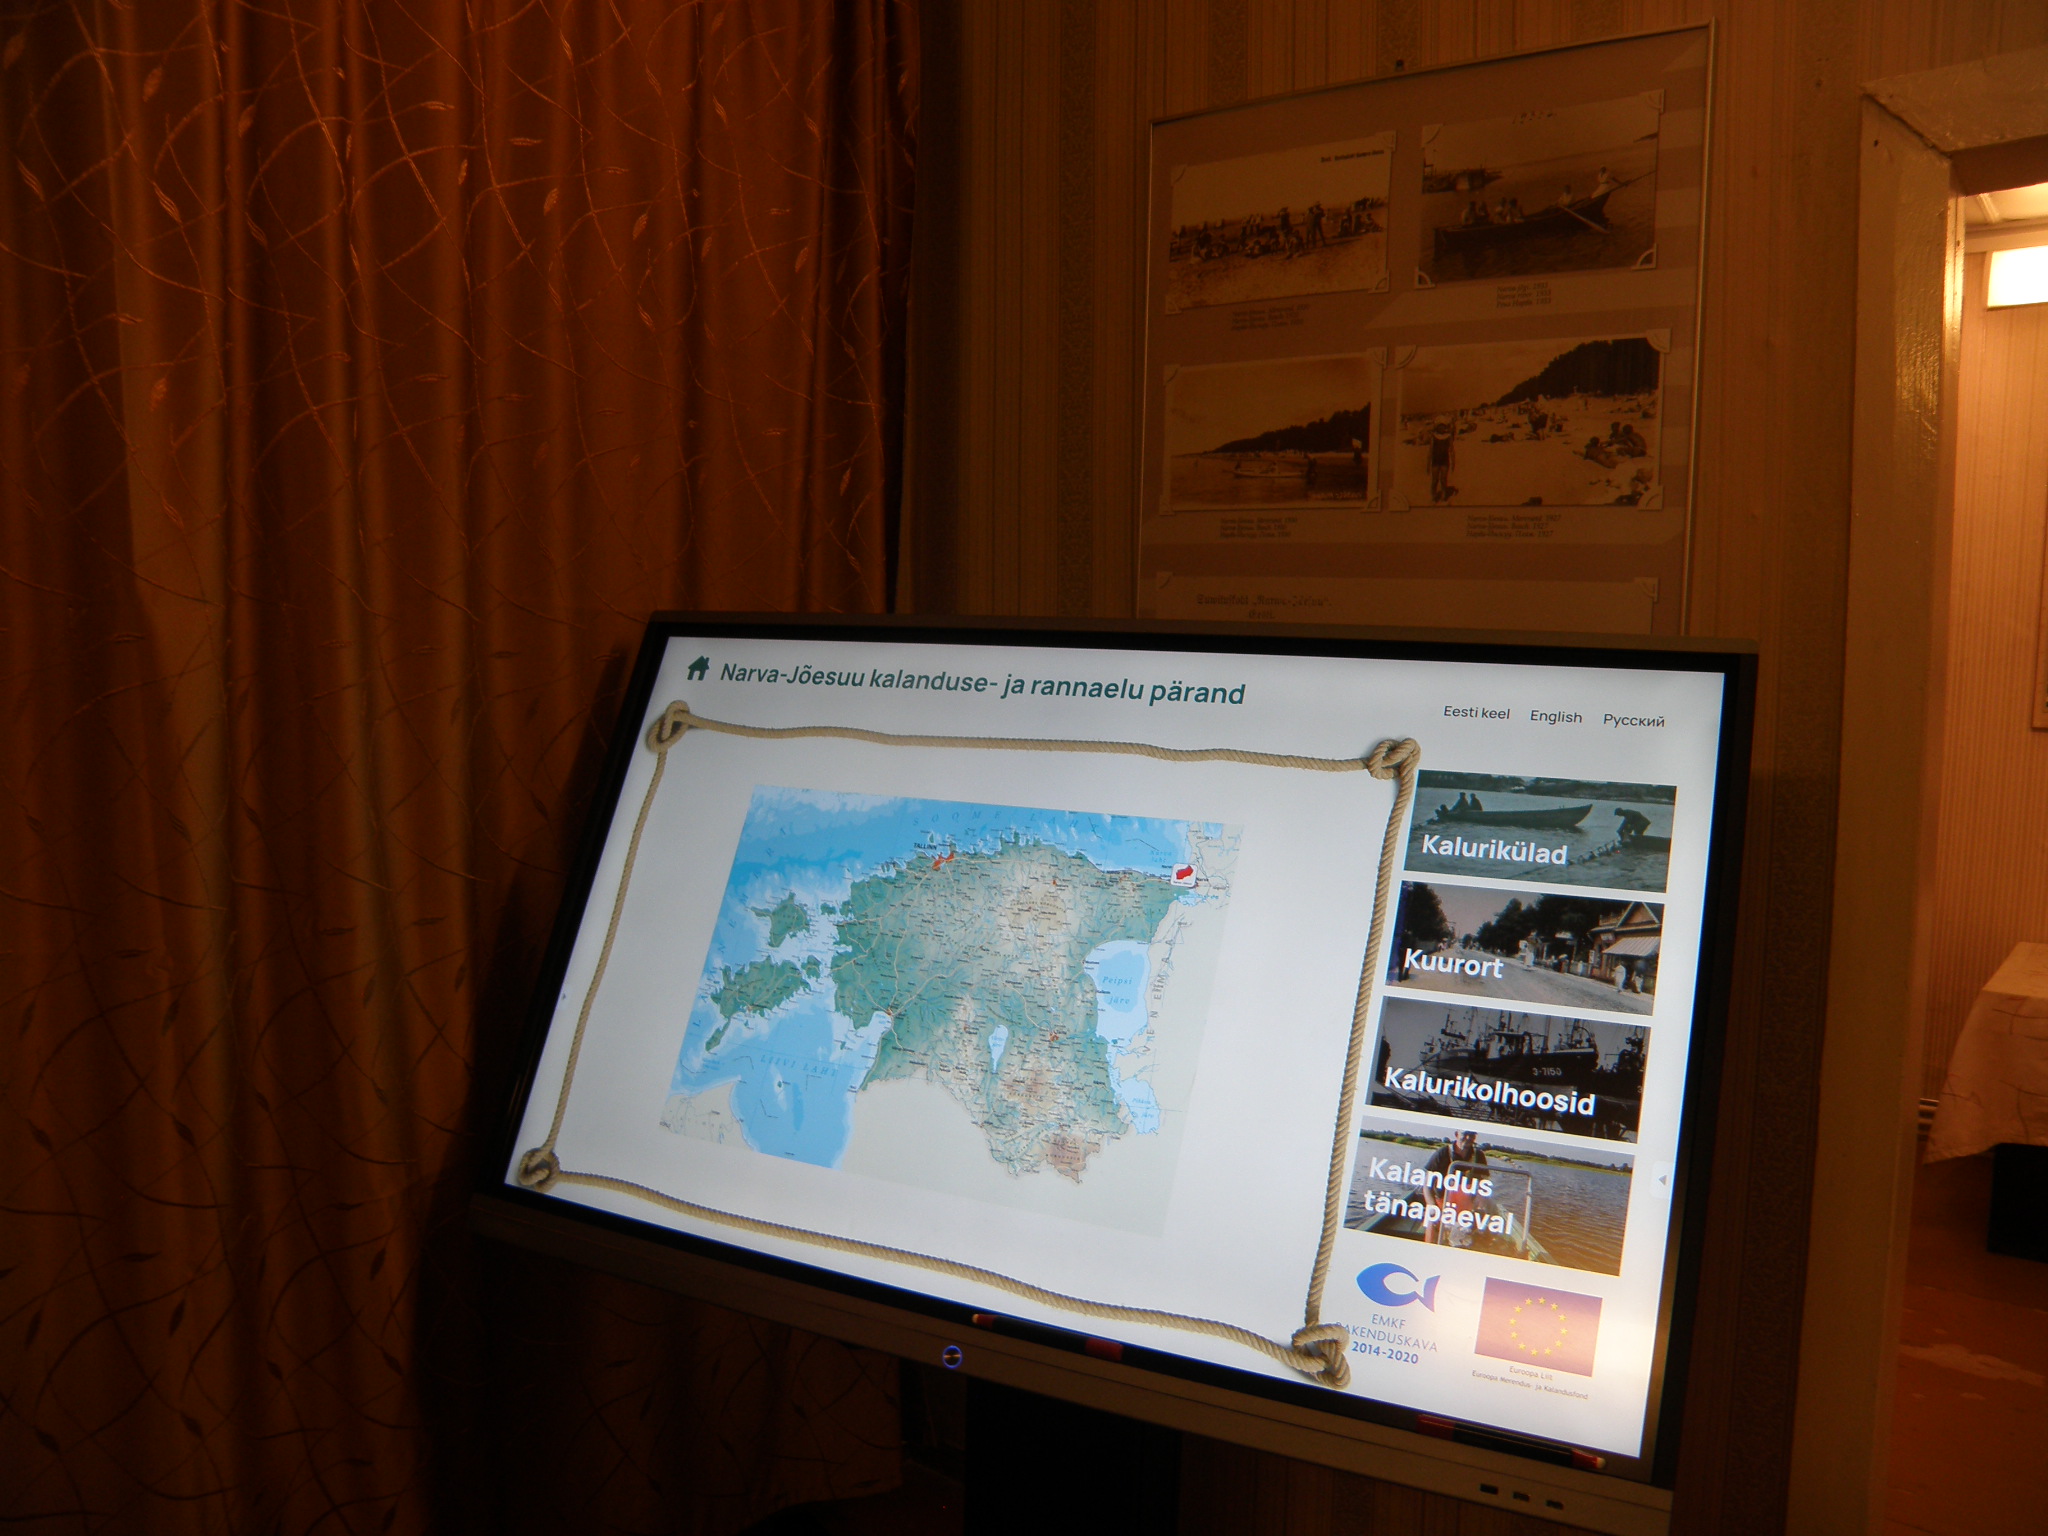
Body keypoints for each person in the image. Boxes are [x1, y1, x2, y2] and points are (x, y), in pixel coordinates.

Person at [1423, 1129, 1488, 1246]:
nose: (1468, 1138)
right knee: (1431, 1221)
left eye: (1472, 1135)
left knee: (1475, 1229)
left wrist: (1480, 1205)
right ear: (1457, 1134)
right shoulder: (1442, 1153)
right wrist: (1432, 1205)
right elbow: (1427, 1185)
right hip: (1442, 1203)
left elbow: (1484, 1184)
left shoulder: (1479, 1156)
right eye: (1465, 1134)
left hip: (1466, 1205)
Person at [1428, 415, 1456, 502]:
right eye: (1440, 426)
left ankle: (1444, 495)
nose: (1441, 428)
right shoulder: (1433, 436)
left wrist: (1453, 461)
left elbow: (1451, 450)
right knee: (1434, 480)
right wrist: (1428, 463)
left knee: (1443, 479)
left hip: (1445, 460)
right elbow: (1430, 450)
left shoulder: (1448, 436)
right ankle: (1433, 495)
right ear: (1437, 427)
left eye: (1443, 426)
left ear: (1445, 427)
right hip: (1435, 460)